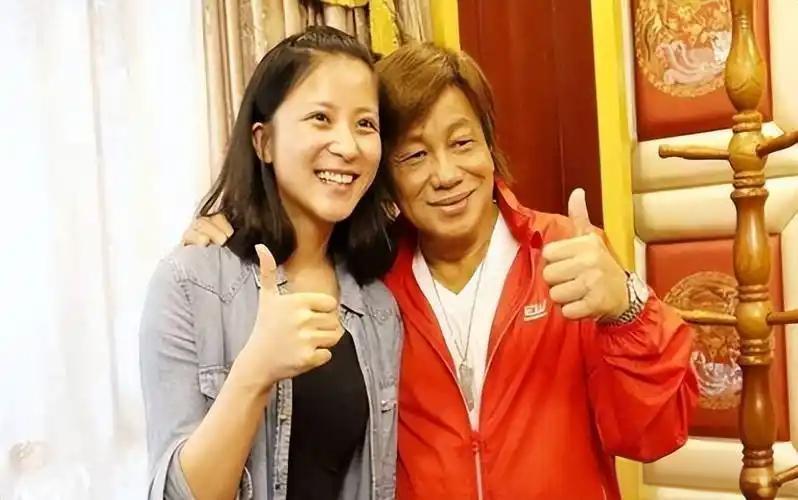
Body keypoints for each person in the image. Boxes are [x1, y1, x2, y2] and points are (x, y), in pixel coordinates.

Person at [186, 42, 698, 499]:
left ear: (490, 146)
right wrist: (227, 233)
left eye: (462, 143)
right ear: (383, 175)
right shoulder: (370, 281)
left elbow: (654, 434)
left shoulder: (566, 255)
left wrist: (626, 309)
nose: (447, 175)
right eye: (414, 155)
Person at [139, 26, 402, 500]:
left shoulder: (378, 306)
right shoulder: (189, 284)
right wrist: (255, 370)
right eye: (321, 118)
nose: (348, 146)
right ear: (263, 142)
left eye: (365, 124)